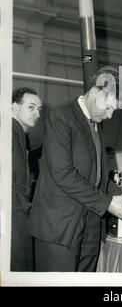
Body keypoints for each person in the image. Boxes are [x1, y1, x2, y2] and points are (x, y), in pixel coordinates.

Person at [28, 67, 122, 272]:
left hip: (90, 230)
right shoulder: (60, 117)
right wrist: (109, 203)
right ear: (94, 93)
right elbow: (63, 174)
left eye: (114, 110)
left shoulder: (95, 125)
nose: (111, 115)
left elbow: (97, 177)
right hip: (60, 230)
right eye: (109, 108)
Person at [11, 87, 42, 271]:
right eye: (31, 107)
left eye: (39, 109)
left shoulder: (19, 135)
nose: (37, 113)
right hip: (14, 215)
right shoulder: (10, 133)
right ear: (14, 107)